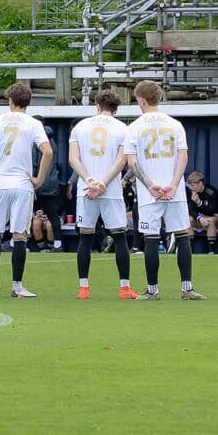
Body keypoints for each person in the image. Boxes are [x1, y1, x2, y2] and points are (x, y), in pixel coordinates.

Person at [0, 81, 55, 300]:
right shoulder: (32, 123)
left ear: (10, 101)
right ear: (28, 103)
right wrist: (39, 178)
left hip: (0, 183)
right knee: (20, 235)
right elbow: (47, 152)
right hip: (22, 184)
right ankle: (17, 286)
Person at [125, 81, 199, 300]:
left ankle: (153, 290)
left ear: (141, 100)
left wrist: (150, 185)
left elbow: (131, 161)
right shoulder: (175, 124)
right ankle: (187, 288)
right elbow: (183, 156)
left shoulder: (134, 127)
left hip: (150, 193)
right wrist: (175, 185)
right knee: (182, 236)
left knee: (150, 238)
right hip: (173, 190)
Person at [69, 89, 136, 300]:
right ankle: (125, 288)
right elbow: (121, 161)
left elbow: (73, 159)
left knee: (85, 238)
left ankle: (83, 288)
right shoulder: (123, 129)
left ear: (97, 106)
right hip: (111, 190)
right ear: (116, 109)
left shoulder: (80, 126)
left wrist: (90, 181)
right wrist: (103, 183)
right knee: (119, 238)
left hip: (85, 190)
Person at [184, 169, 218, 255]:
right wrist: (200, 217)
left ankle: (211, 251)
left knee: (211, 220)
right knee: (188, 219)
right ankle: (188, 250)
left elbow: (211, 211)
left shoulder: (212, 192)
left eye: (193, 185)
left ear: (200, 183)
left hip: (215, 217)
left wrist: (199, 202)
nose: (191, 188)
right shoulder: (189, 192)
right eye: (189, 185)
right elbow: (189, 209)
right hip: (199, 218)